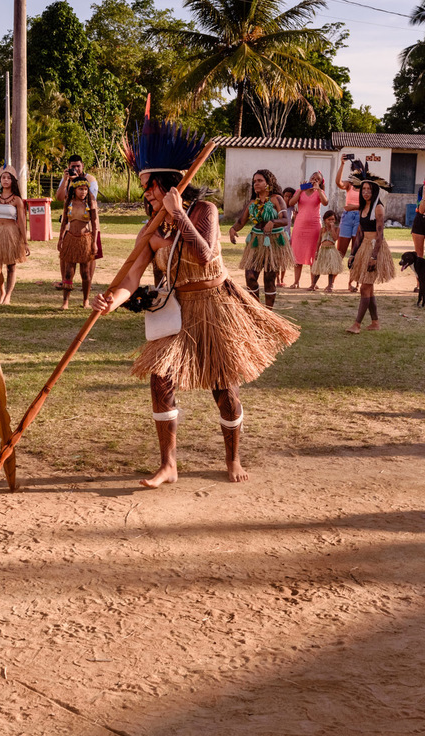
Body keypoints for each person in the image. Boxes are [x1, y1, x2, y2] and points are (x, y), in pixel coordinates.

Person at [90, 120, 299, 487]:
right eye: (146, 190)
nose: (148, 195)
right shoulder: (151, 230)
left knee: (224, 389)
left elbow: (203, 255)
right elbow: (131, 276)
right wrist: (113, 301)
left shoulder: (204, 211)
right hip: (178, 309)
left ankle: (233, 457)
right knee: (160, 379)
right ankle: (168, 465)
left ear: (169, 184)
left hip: (215, 306)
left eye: (150, 187)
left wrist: (179, 213)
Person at [229, 169, 292, 309]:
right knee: (250, 277)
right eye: (254, 181)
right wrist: (233, 229)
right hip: (256, 241)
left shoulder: (277, 198)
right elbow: (241, 221)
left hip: (273, 241)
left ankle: (268, 313)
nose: (255, 183)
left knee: (269, 279)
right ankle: (256, 309)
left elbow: (285, 220)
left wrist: (273, 222)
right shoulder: (253, 202)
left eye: (259, 181)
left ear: (268, 183)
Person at [346, 176, 394, 334]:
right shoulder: (362, 207)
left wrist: (374, 256)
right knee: (369, 288)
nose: (366, 192)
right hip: (364, 247)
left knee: (365, 288)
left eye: (369, 190)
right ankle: (375, 322)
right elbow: (360, 231)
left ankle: (357, 324)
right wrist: (353, 253)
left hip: (375, 249)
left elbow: (380, 235)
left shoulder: (378, 208)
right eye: (364, 189)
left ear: (374, 192)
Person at [0, 166, 29, 306]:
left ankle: (8, 295)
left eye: (9, 178)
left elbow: (21, 221)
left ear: (13, 181)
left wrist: (25, 241)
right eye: (3, 177)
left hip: (11, 233)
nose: (6, 180)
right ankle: (2, 291)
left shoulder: (17, 200)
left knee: (11, 266)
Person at [56, 176, 99, 309]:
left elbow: (95, 223)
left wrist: (94, 242)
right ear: (74, 190)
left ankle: (85, 300)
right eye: (81, 189)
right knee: (69, 271)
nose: (83, 192)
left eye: (86, 189)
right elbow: (64, 222)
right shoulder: (69, 203)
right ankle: (65, 301)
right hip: (70, 238)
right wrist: (60, 239)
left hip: (85, 238)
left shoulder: (90, 203)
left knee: (85, 272)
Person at [55, 154, 103, 261]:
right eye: (73, 167)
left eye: (78, 166)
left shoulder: (90, 179)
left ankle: (89, 278)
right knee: (66, 257)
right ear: (68, 167)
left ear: (83, 166)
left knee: (90, 257)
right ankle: (66, 278)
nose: (76, 169)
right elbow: (59, 197)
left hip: (88, 223)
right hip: (70, 222)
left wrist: (78, 181)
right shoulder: (66, 179)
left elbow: (91, 199)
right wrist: (65, 180)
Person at [287, 172, 327, 289]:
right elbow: (291, 203)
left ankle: (313, 283)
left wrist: (318, 190)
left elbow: (325, 202)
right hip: (300, 227)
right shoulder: (300, 191)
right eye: (312, 178)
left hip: (314, 228)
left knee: (313, 254)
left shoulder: (320, 192)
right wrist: (300, 190)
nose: (314, 180)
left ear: (320, 182)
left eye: (317, 179)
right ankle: (296, 282)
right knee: (297, 254)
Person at [310, 210, 343, 292]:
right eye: (329, 220)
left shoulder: (336, 229)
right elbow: (318, 241)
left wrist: (332, 229)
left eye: (333, 219)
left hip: (331, 250)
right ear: (325, 220)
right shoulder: (322, 230)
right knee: (318, 268)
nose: (331, 221)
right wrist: (316, 251)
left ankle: (330, 285)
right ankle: (313, 284)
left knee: (331, 268)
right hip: (323, 250)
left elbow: (335, 238)